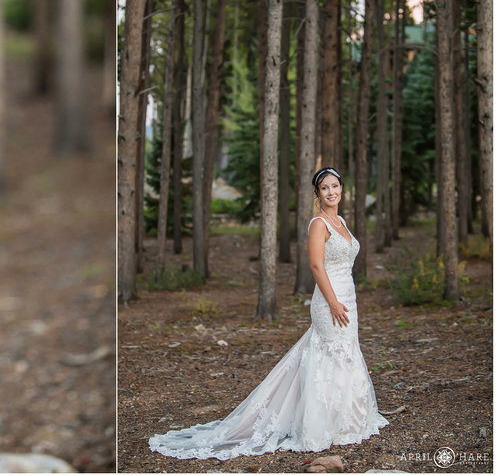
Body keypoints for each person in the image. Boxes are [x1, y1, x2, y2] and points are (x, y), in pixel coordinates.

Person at [149, 167, 388, 460]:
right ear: (318, 194)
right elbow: (316, 266)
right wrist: (334, 302)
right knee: (330, 355)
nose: (331, 192)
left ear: (341, 188)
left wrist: (344, 300)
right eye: (324, 188)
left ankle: (349, 420)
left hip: (348, 297)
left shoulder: (340, 221)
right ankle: (322, 425)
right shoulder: (319, 224)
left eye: (335, 186)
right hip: (329, 301)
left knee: (347, 352)